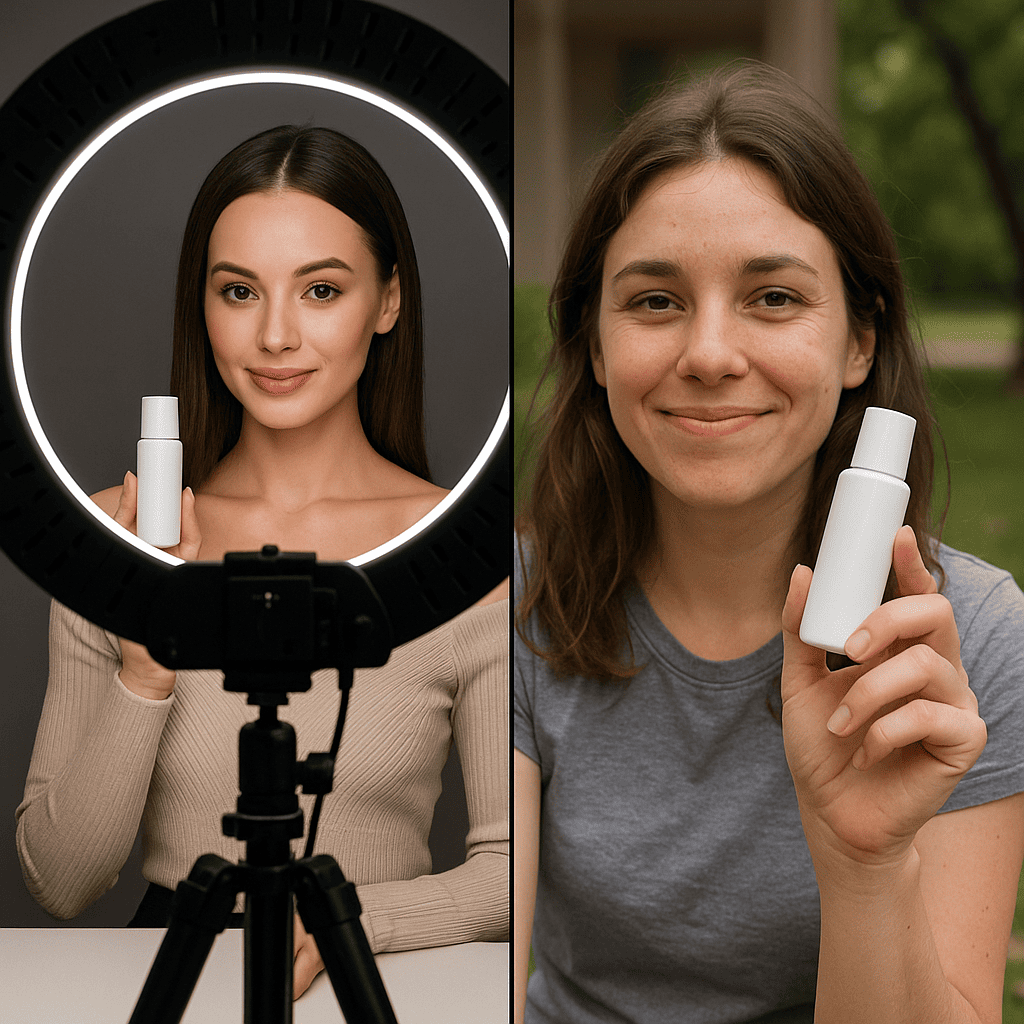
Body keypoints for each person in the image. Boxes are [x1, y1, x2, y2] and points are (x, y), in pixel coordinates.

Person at [513, 62, 1024, 1024]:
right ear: (594, 343)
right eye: (655, 301)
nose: (710, 355)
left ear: (860, 341)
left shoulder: (968, 641)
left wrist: (866, 865)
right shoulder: (516, 605)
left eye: (775, 298)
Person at [16, 125, 508, 999]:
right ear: (201, 306)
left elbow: (511, 869)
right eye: (239, 291)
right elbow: (60, 879)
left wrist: (355, 924)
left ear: (388, 301)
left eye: (321, 289)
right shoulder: (118, 537)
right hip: (174, 980)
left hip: (378, 985)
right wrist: (144, 664)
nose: (276, 335)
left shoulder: (468, 557)